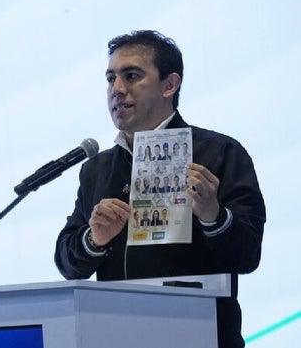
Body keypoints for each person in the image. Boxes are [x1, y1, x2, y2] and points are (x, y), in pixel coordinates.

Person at [54, 30, 265, 348]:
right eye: (110, 79)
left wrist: (214, 216)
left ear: (170, 85)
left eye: (131, 76)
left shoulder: (220, 153)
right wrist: (94, 239)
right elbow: (67, 263)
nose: (117, 89)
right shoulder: (97, 168)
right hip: (117, 338)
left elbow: (247, 257)